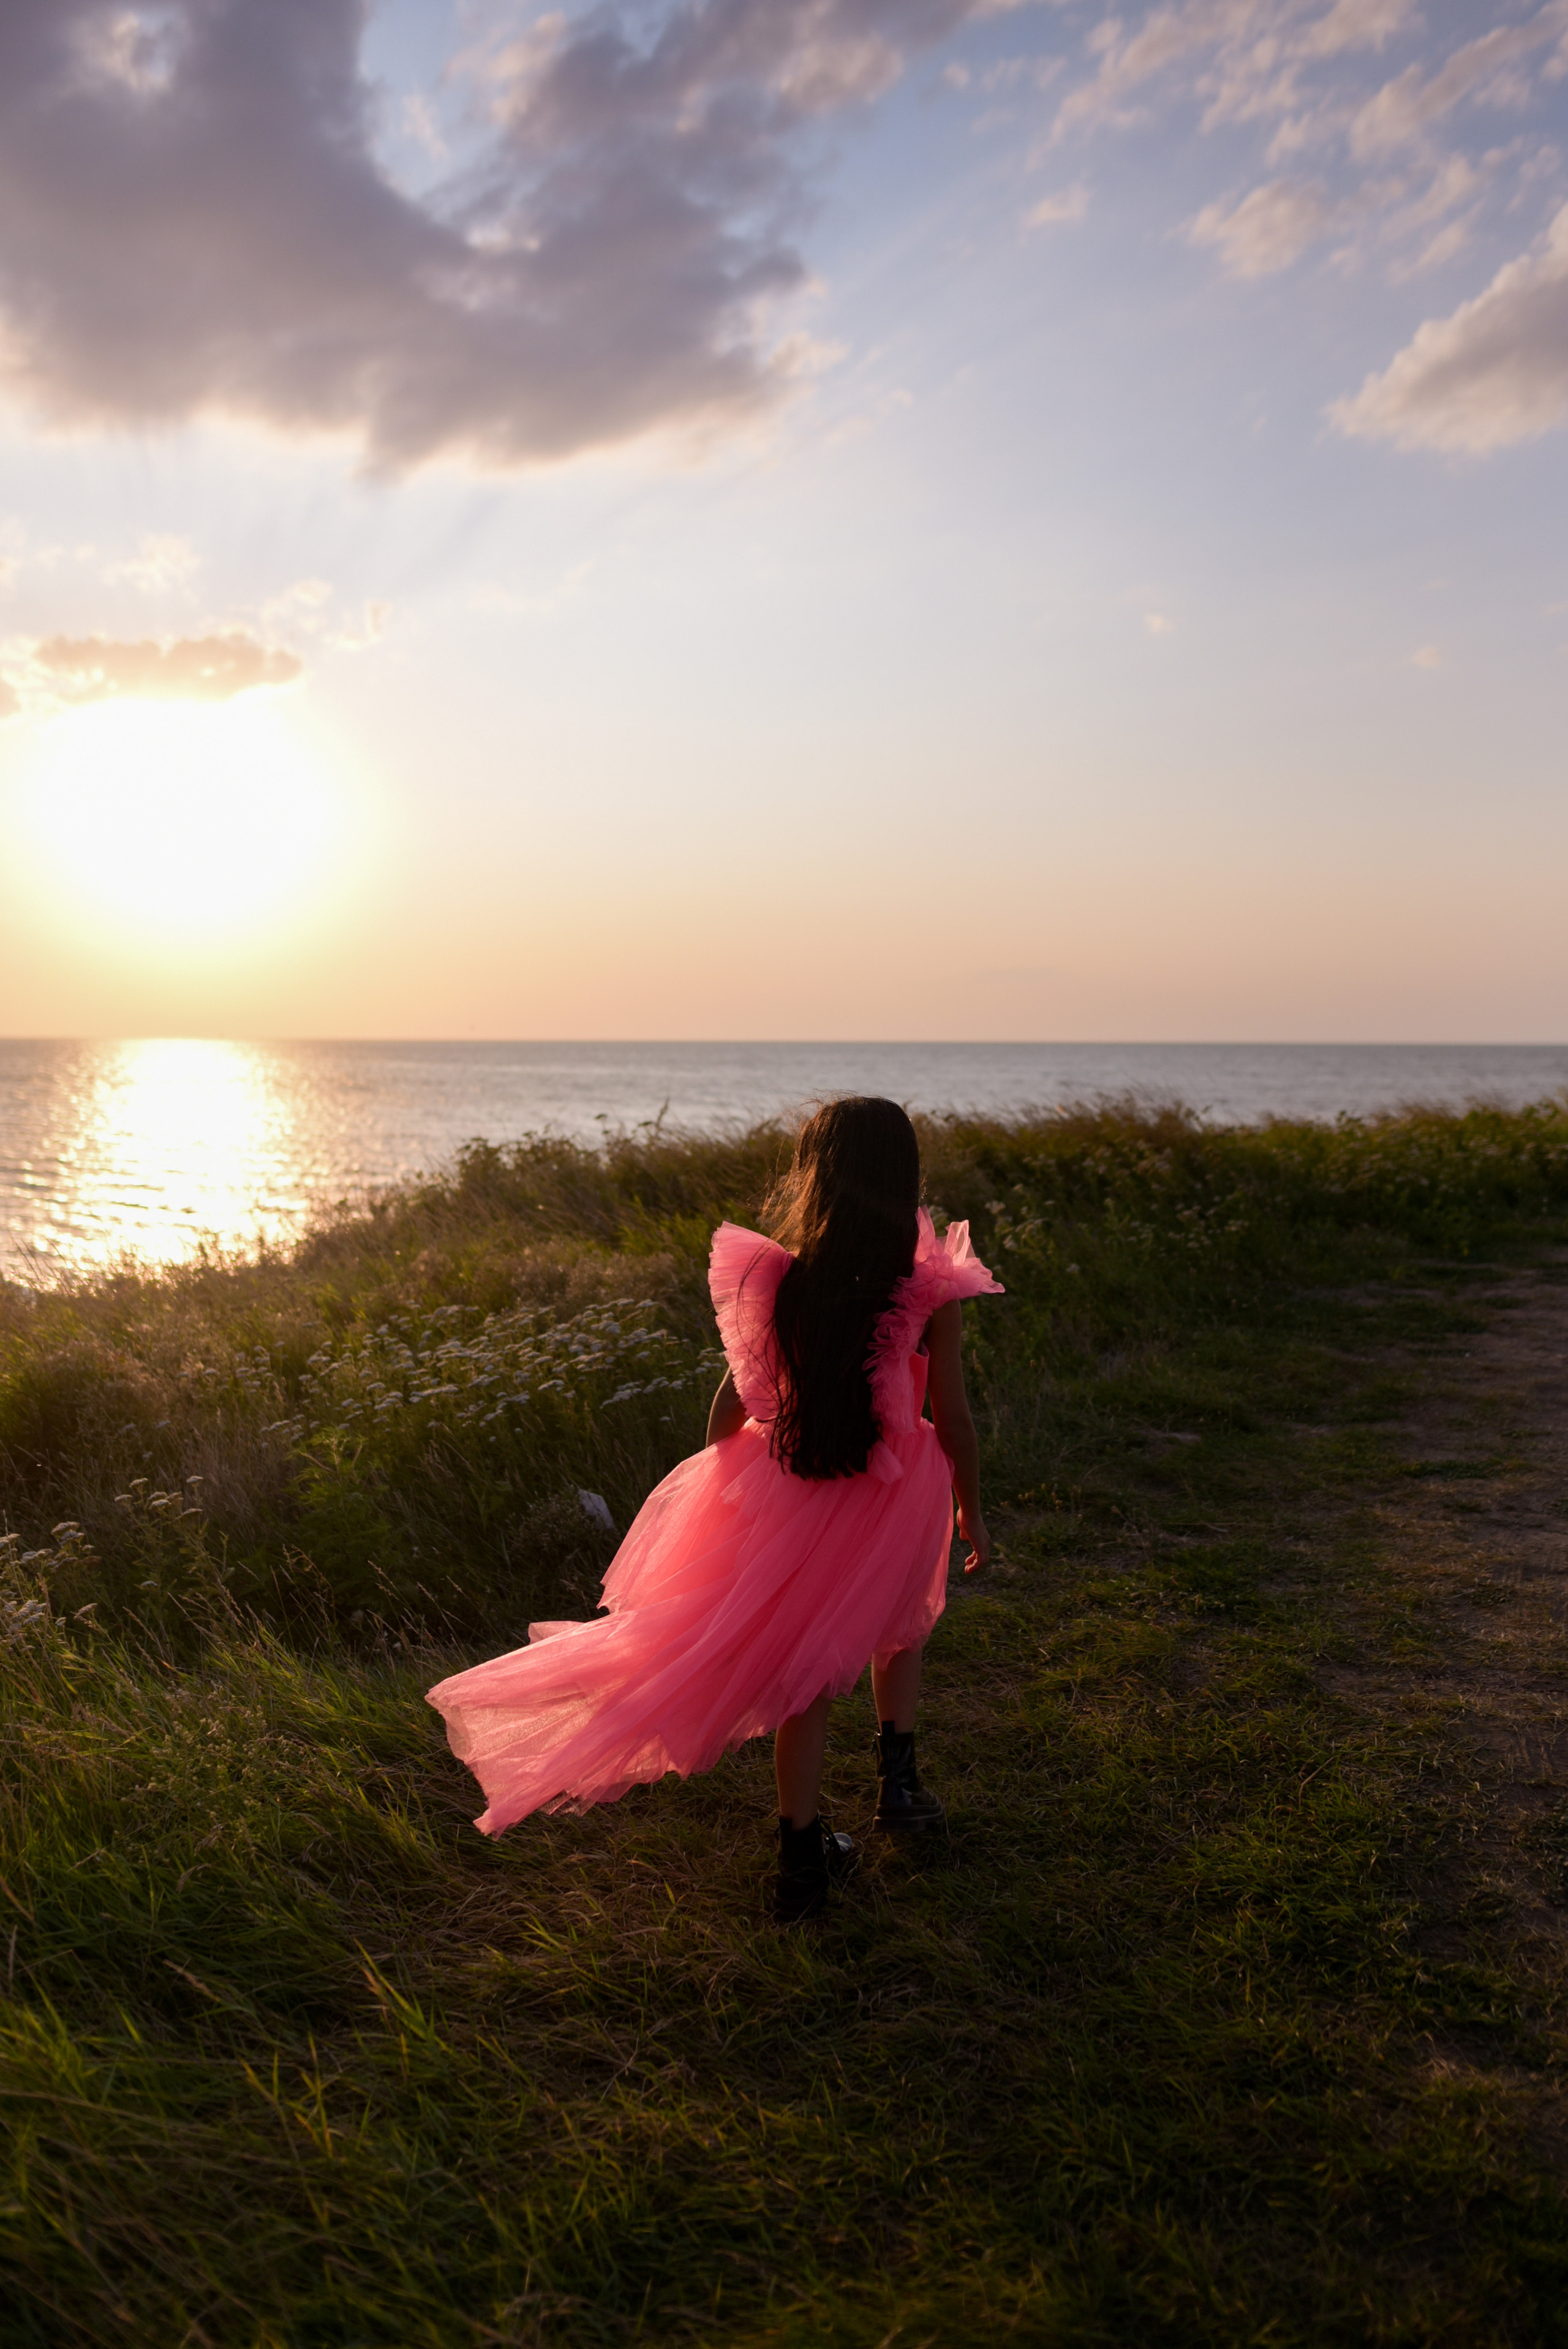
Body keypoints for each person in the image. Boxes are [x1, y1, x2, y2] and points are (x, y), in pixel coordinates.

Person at [426, 1095, 1003, 1923]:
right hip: (894, 1489)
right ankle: (898, 1787)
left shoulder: (788, 1278)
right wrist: (970, 1511)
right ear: (903, 1178)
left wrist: (721, 1485)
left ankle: (802, 1860)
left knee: (808, 1678)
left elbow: (734, 1400)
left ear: (821, 1178)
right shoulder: (928, 1291)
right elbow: (953, 1417)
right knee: (900, 1623)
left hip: (799, 1484)